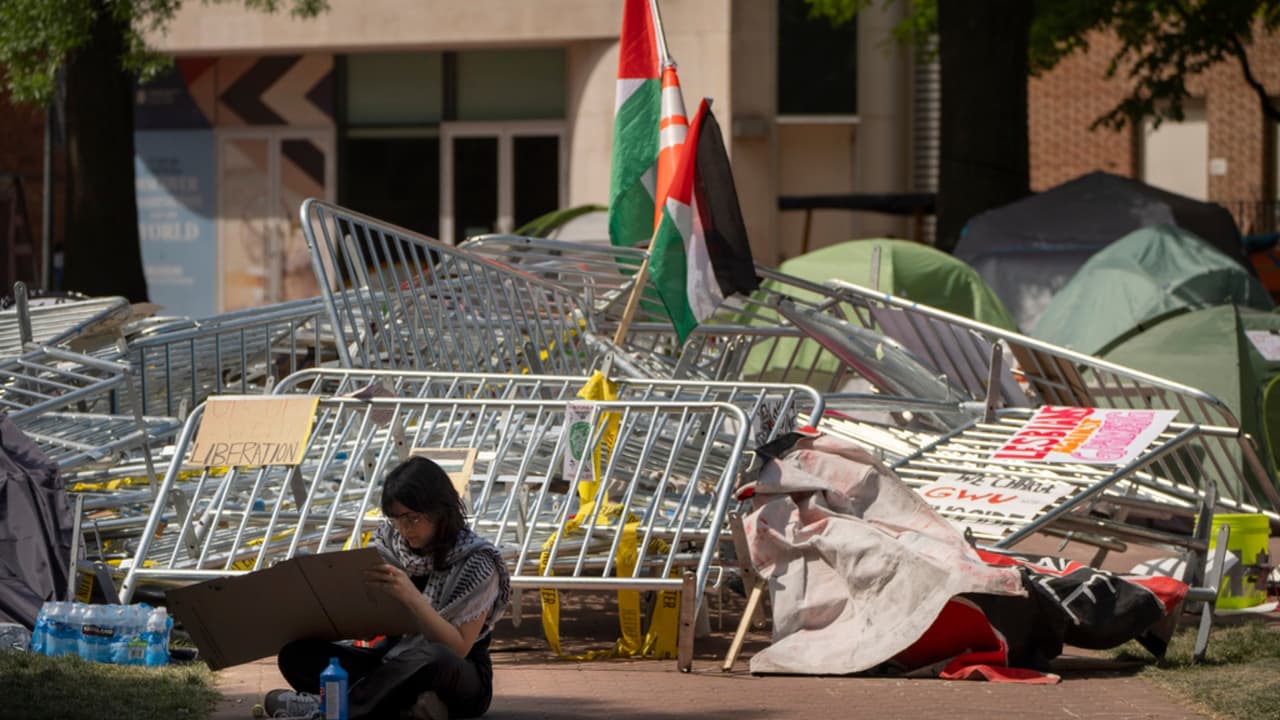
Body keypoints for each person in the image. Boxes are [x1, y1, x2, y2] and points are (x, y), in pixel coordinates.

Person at [263, 456, 511, 719]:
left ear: (440, 510)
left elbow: (458, 647)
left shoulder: (478, 562)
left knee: (433, 657)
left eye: (412, 519)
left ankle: (332, 709)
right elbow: (376, 621)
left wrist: (412, 598)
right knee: (297, 655)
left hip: (456, 675)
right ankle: (406, 707)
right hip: (392, 661)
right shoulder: (392, 544)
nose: (403, 530)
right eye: (396, 520)